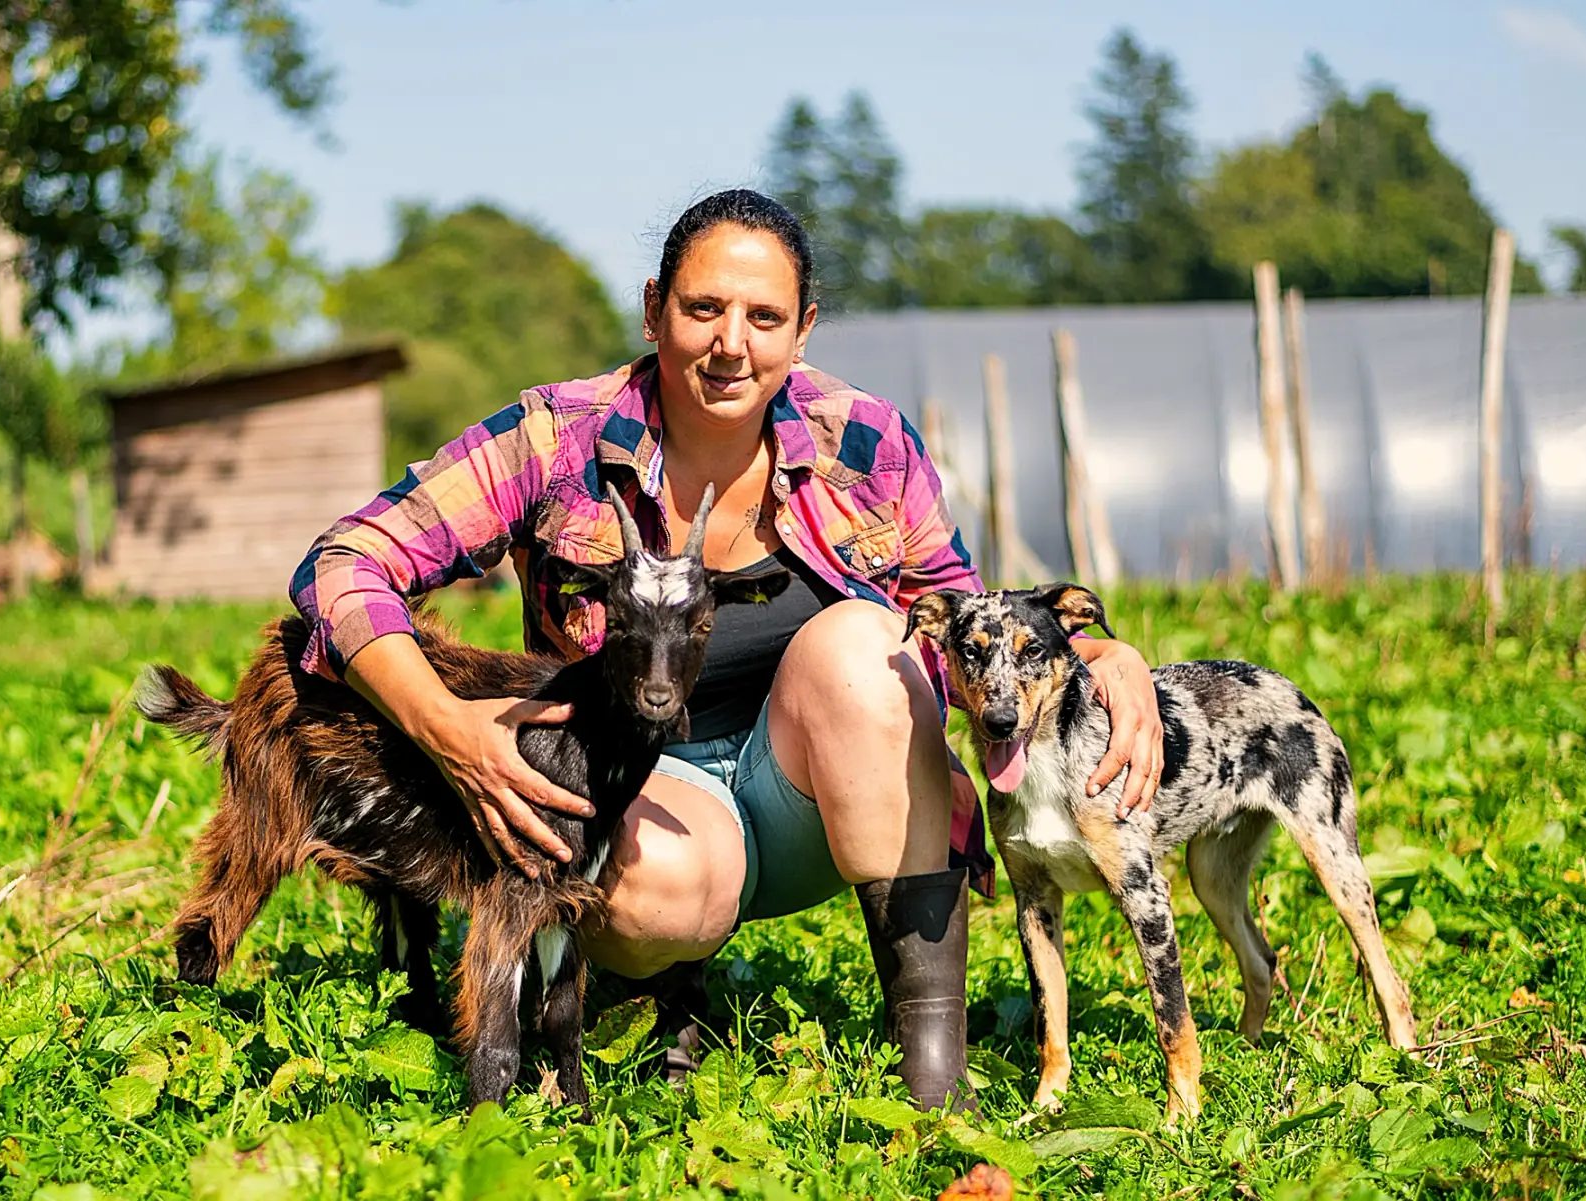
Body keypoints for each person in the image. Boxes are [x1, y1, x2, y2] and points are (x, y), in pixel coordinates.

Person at [289, 189, 1165, 1110]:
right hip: (638, 799)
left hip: (815, 795)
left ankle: (932, 1067)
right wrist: (444, 726)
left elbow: (957, 611)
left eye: (765, 317)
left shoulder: (863, 439)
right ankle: (656, 986)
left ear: (803, 329)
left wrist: (1098, 655)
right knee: (658, 887)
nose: (731, 344)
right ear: (654, 309)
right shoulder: (555, 439)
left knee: (866, 644)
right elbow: (343, 563)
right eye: (703, 308)